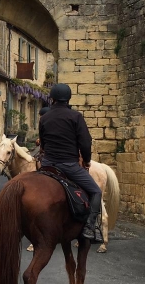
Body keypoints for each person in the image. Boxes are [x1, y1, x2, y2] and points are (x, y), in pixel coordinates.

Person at [39, 83, 103, 242]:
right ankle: (90, 227)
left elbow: (43, 143)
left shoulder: (45, 117)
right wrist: (87, 160)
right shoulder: (76, 117)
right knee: (96, 191)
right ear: (68, 99)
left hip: (47, 164)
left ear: (52, 98)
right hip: (68, 165)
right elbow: (85, 143)